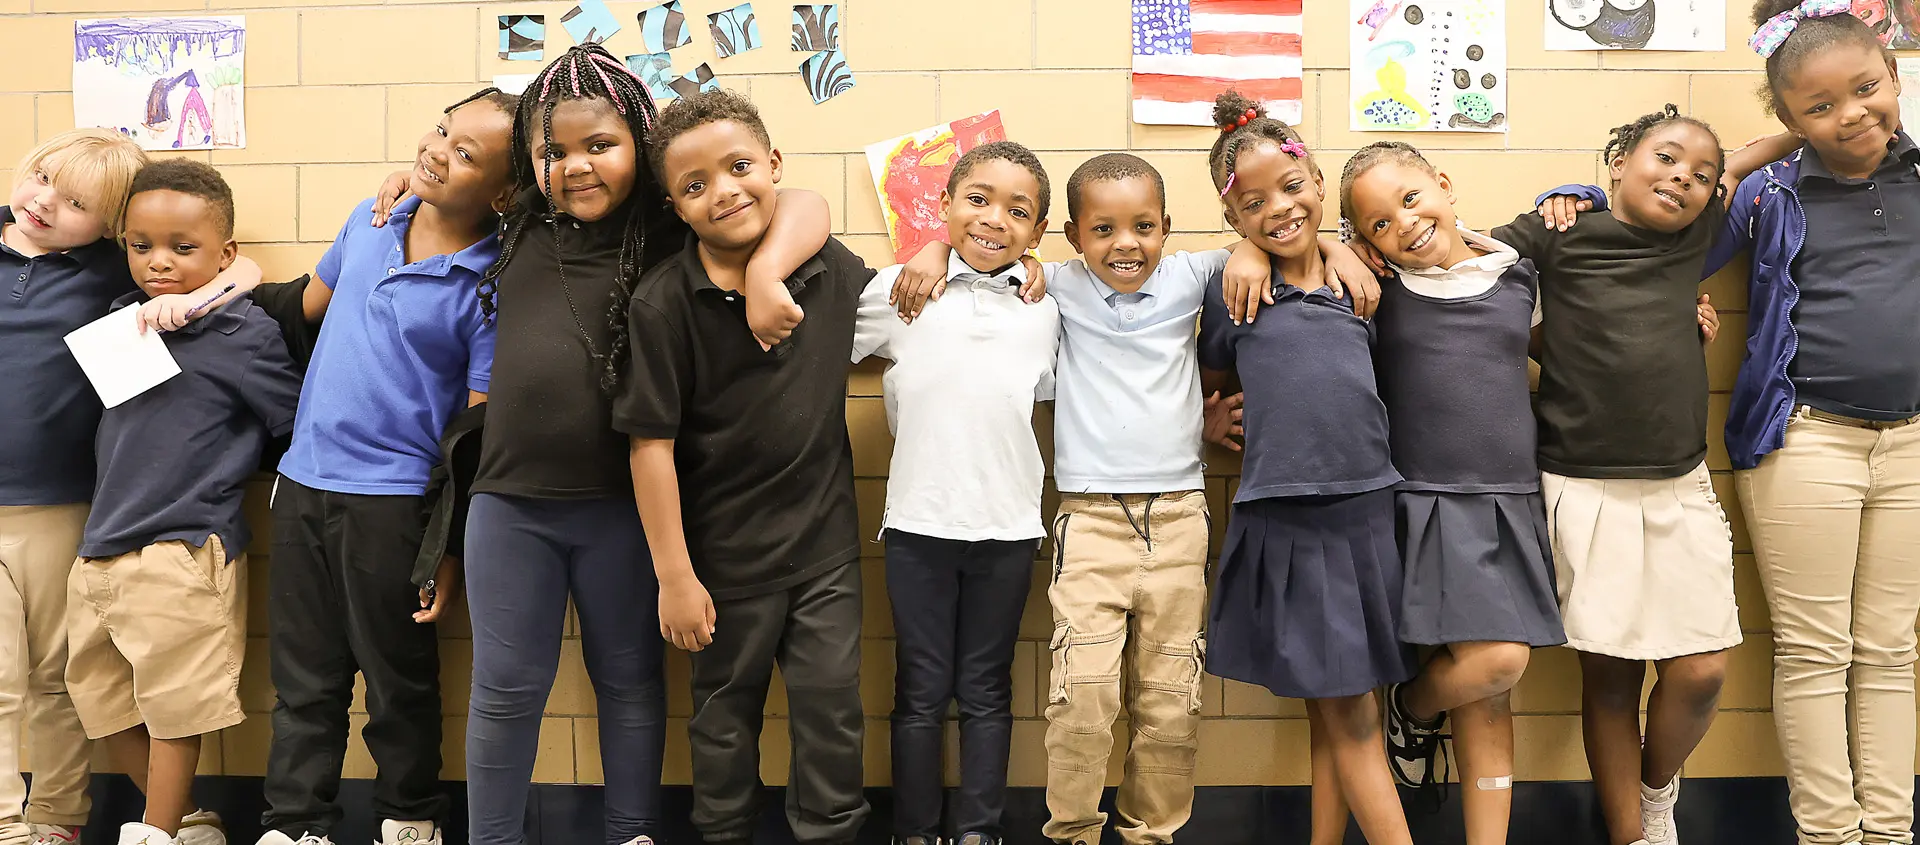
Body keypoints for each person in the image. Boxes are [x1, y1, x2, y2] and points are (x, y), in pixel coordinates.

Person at [465, 50, 832, 845]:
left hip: (624, 508)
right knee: (503, 691)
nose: (576, 165)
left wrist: (767, 269)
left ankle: (632, 831)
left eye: (599, 144)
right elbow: (442, 179)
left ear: (638, 141)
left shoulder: (673, 229)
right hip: (508, 506)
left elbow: (805, 200)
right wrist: (399, 184)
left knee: (629, 683)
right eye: (553, 152)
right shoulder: (516, 225)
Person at [1487, 106, 1794, 845]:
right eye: (1665, 158)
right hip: (1581, 484)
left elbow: (1754, 153)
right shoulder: (1558, 230)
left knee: (1701, 669)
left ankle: (1657, 786)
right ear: (1618, 161)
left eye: (1701, 175)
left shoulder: (1691, 241)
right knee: (1611, 677)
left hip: (1678, 483)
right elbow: (1462, 266)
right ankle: (1633, 831)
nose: (1683, 178)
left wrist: (1826, 105)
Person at [618, 88, 867, 845]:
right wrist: (675, 576)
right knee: (723, 723)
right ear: (675, 205)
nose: (723, 191)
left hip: (824, 553)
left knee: (832, 713)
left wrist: (767, 275)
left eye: (739, 167)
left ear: (773, 164)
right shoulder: (663, 304)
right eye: (695, 186)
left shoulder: (822, 264)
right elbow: (648, 444)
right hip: (721, 563)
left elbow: (814, 206)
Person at [1704, 4, 1920, 842]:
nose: (1851, 115)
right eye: (1817, 108)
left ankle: (1891, 831)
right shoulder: (1771, 189)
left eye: (1867, 89)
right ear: (1789, 119)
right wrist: (1753, 157)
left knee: (1892, 650)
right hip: (1804, 438)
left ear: (1894, 76)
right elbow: (1665, 238)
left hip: (1910, 439)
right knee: (1814, 649)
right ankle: (1830, 833)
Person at [1196, 90, 1418, 845]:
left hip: (1365, 513)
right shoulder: (1235, 291)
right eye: (1252, 205)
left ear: (1319, 182)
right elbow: (1208, 385)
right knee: (1345, 711)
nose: (1279, 210)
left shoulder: (1365, 280)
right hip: (1288, 517)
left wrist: (1345, 247)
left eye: (1292, 187)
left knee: (1341, 708)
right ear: (1234, 222)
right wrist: (1208, 417)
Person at [64, 159, 301, 845]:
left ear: (225, 254)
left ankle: (157, 831)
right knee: (104, 708)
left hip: (186, 547)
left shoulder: (247, 335)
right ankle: (190, 822)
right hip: (100, 549)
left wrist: (222, 293)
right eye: (141, 246)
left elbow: (294, 426)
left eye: (182, 247)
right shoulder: (123, 319)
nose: (158, 262)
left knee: (175, 711)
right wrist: (173, 305)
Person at [854, 140, 1058, 845]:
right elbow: (815, 335)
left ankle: (978, 830)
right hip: (917, 526)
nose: (994, 219)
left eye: (1018, 210)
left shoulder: (1046, 303)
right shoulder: (899, 292)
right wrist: (928, 254)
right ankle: (914, 829)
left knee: (986, 689)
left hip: (1007, 529)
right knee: (919, 689)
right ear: (943, 207)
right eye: (977, 199)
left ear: (1036, 233)